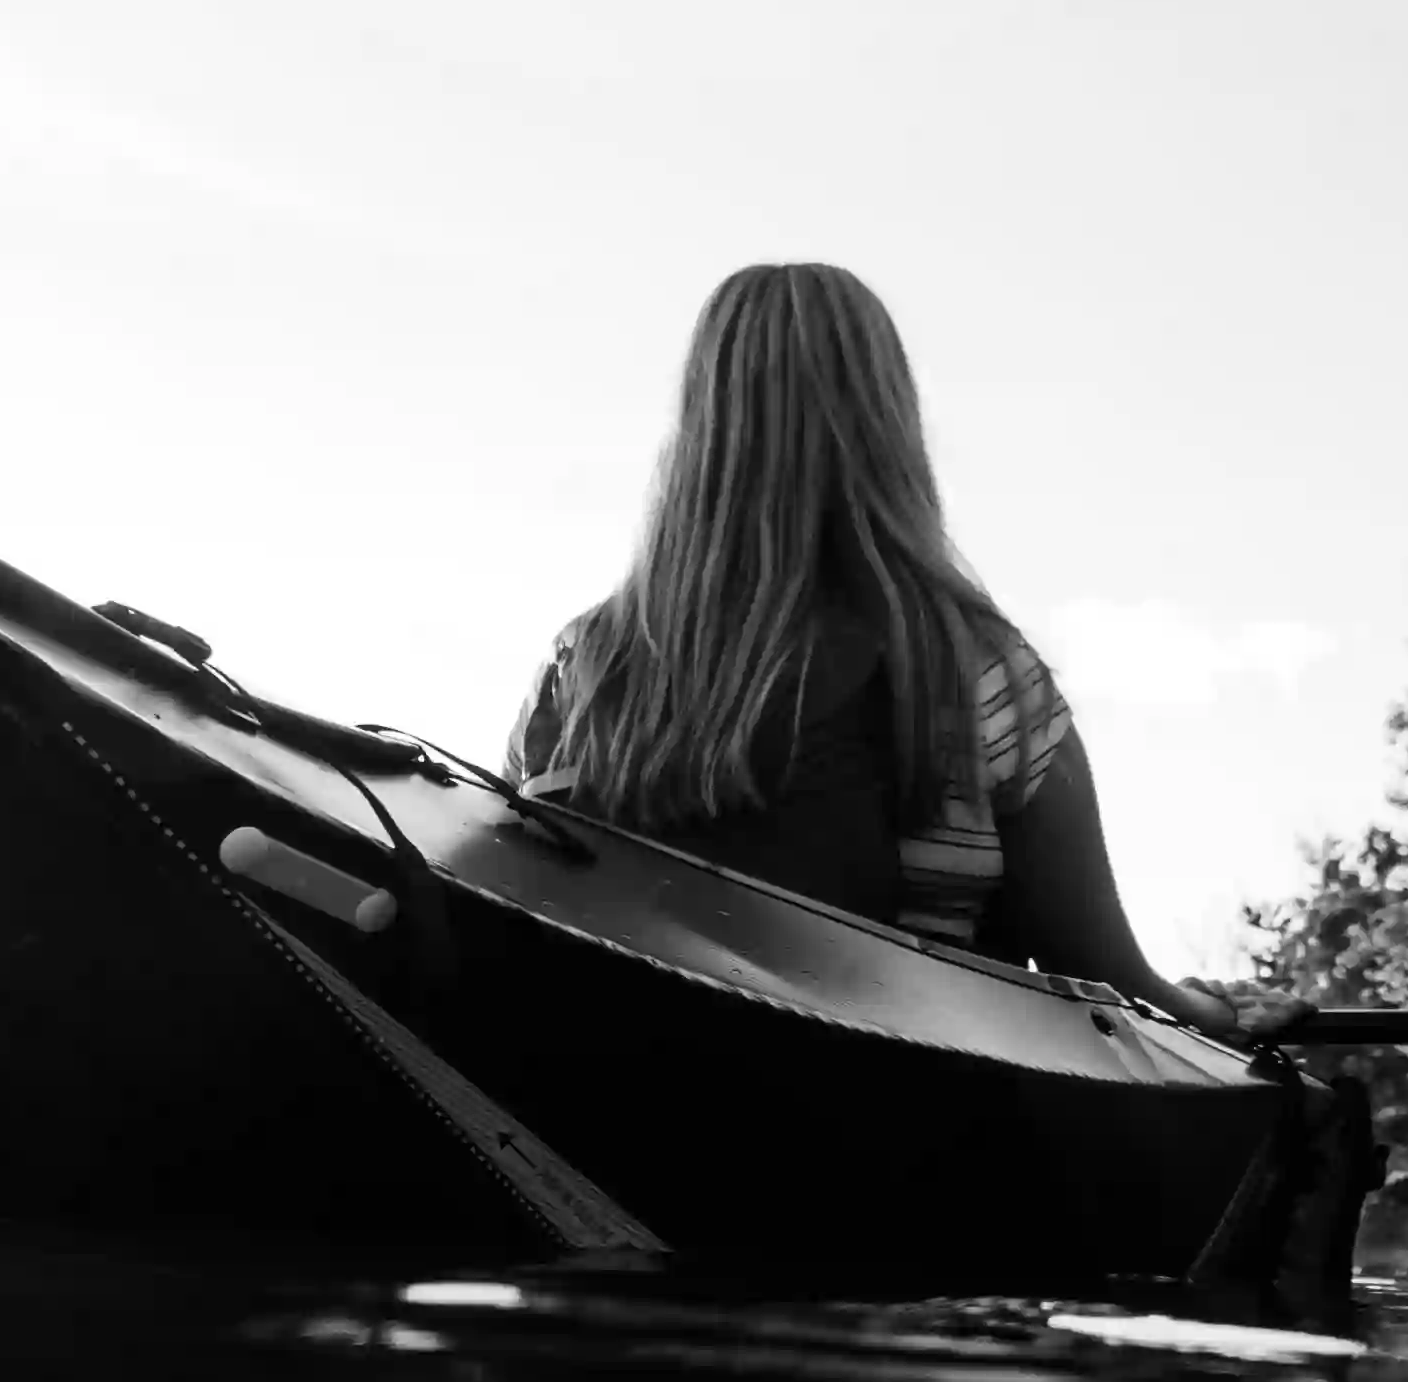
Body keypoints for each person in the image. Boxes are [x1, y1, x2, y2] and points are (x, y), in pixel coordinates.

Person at [504, 262, 1266, 1038]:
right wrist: (1211, 1011)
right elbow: (1100, 973)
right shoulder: (980, 676)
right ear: (889, 421)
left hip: (606, 1128)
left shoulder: (587, 669)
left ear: (701, 420)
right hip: (900, 1128)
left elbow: (507, 893)